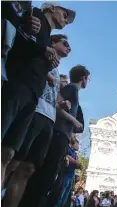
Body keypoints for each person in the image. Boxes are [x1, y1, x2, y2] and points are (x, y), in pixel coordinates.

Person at [1, 34, 71, 207]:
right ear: (52, 43)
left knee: (28, 169)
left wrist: (61, 102)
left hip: (48, 119)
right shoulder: (40, 56)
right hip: (35, 113)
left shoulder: (56, 69)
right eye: (65, 43)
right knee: (11, 162)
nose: (68, 48)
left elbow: (53, 93)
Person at [1, 2, 75, 187]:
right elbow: (18, 38)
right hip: (18, 85)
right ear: (51, 7)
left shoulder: (45, 35)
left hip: (32, 95)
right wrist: (42, 49)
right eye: (65, 14)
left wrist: (46, 70)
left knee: (8, 153)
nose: (66, 20)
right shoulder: (33, 16)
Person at [13, 64, 90, 207]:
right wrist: (73, 120)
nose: (88, 81)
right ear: (83, 78)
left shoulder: (74, 92)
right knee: (45, 175)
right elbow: (57, 104)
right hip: (58, 133)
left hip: (62, 134)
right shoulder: (70, 88)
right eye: (87, 78)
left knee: (48, 177)